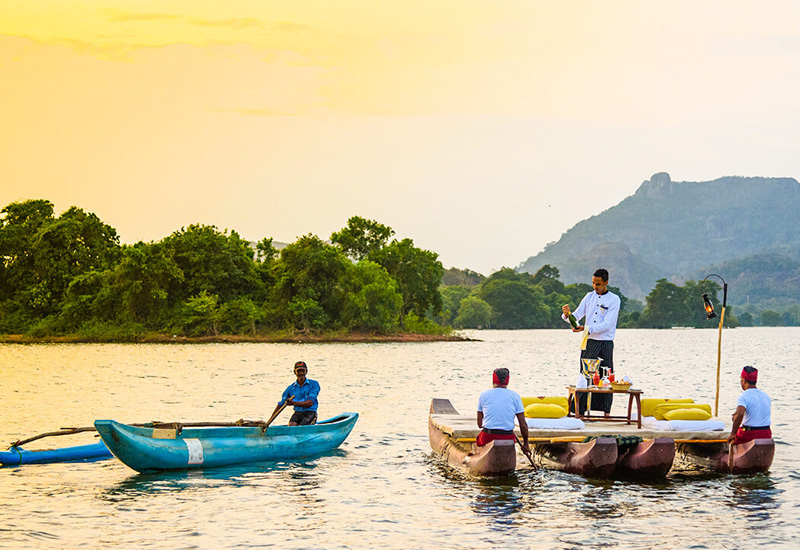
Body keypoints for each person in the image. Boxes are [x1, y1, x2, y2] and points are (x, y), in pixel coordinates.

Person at [562, 268, 621, 417]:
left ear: (606, 283)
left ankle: (606, 412)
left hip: (605, 342)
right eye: (593, 283)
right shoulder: (589, 296)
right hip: (589, 341)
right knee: (584, 375)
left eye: (598, 284)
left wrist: (585, 328)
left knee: (606, 376)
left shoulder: (614, 300)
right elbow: (576, 315)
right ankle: (579, 411)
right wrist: (567, 315)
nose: (595, 287)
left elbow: (607, 325)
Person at [476, 368, 530, 454]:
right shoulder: (515, 396)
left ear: (493, 380)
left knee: (479, 439)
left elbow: (479, 424)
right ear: (507, 380)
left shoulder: (483, 395)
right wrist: (526, 444)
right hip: (508, 436)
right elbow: (523, 425)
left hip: (488, 435)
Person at [728, 366, 771, 445]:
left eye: (741, 380)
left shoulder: (743, 396)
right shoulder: (766, 396)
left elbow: (740, 413)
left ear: (743, 380)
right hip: (766, 434)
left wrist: (733, 433)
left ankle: (730, 455)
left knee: (733, 438)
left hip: (750, 434)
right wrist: (736, 414)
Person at [272, 361, 321, 426]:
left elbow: (310, 403)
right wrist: (270, 420)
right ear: (295, 372)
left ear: (306, 371)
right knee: (291, 426)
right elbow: (281, 404)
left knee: (301, 427)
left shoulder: (314, 384)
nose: (301, 373)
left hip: (310, 413)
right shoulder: (291, 388)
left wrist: (294, 403)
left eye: (302, 370)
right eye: (298, 371)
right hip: (297, 413)